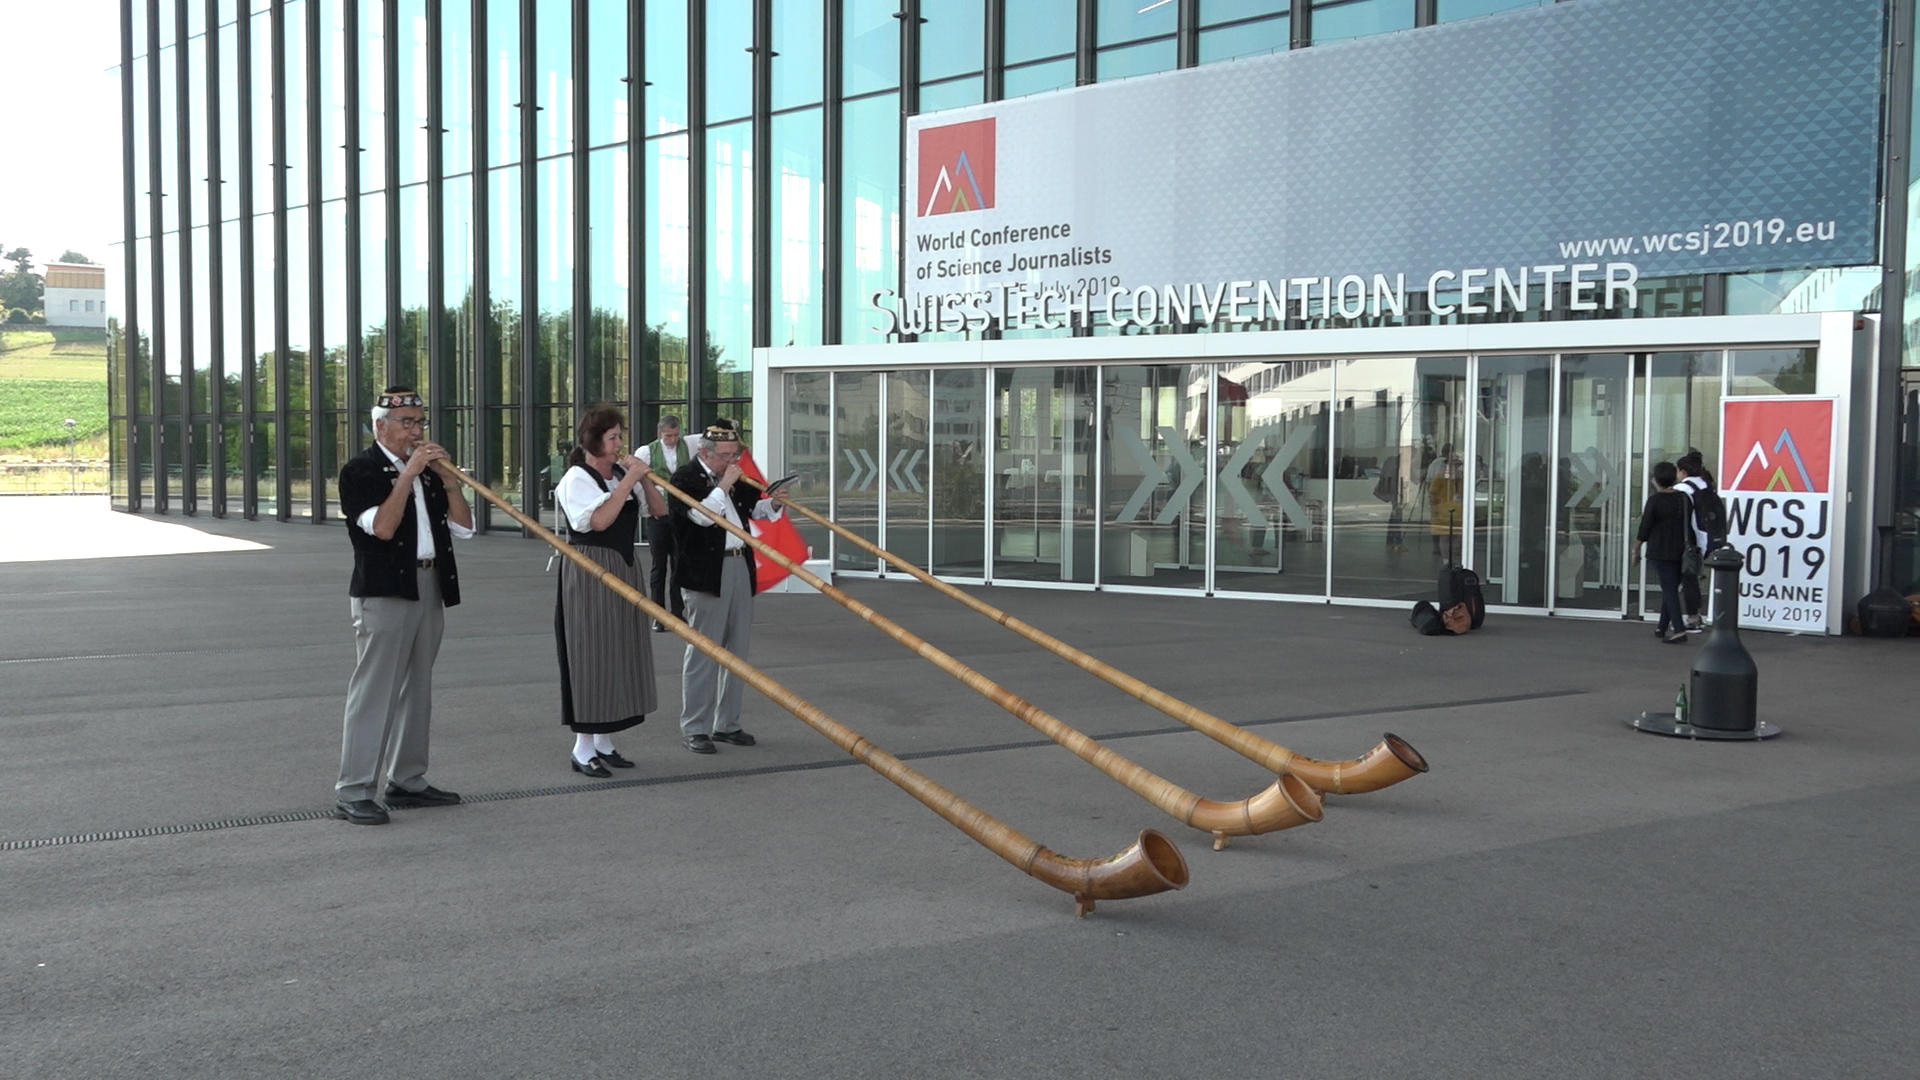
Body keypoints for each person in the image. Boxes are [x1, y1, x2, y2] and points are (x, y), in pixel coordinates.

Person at [333, 386, 474, 825]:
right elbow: (382, 528)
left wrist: (449, 481)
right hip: (385, 591)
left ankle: (407, 779)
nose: (416, 430)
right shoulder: (361, 470)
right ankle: (354, 789)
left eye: (419, 422)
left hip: (430, 583)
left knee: (420, 688)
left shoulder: (431, 472)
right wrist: (409, 474)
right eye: (406, 423)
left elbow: (464, 529)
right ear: (381, 426)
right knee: (375, 690)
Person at [554, 406, 664, 778]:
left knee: (620, 649)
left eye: (620, 436)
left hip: (625, 566)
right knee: (592, 652)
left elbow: (659, 511)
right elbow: (598, 520)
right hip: (590, 569)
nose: (619, 444)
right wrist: (627, 479)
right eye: (613, 437)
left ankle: (604, 741)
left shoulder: (620, 473)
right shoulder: (575, 478)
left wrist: (642, 478)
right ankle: (582, 748)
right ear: (593, 440)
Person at [668, 422, 787, 754]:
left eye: (735, 454)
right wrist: (723, 485)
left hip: (738, 564)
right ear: (704, 452)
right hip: (705, 571)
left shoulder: (732, 477)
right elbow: (701, 517)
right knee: (704, 651)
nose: (732, 461)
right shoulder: (685, 478)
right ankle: (695, 727)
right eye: (725, 456)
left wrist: (775, 503)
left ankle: (727, 724)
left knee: (738, 650)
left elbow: (755, 511)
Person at [635, 414, 694, 632]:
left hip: (680, 515)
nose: (672, 439)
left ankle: (677, 613)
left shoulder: (687, 447)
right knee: (658, 566)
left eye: (676, 435)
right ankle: (658, 615)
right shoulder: (647, 451)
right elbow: (636, 479)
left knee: (678, 565)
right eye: (668, 436)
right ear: (660, 434)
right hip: (658, 516)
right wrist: (647, 505)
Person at [1633, 460, 1692, 645]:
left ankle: (1679, 629)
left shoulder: (1655, 500)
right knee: (1672, 587)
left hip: (1660, 550)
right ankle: (1662, 626)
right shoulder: (1684, 499)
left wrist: (1636, 549)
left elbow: (1645, 527)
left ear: (1656, 480)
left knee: (1669, 589)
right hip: (1682, 550)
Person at [1674, 450, 1721, 632]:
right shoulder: (1706, 486)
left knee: (1686, 579)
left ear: (1683, 472)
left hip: (1687, 540)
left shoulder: (1683, 490)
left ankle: (1691, 618)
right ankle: (1696, 615)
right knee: (1692, 578)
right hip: (1706, 538)